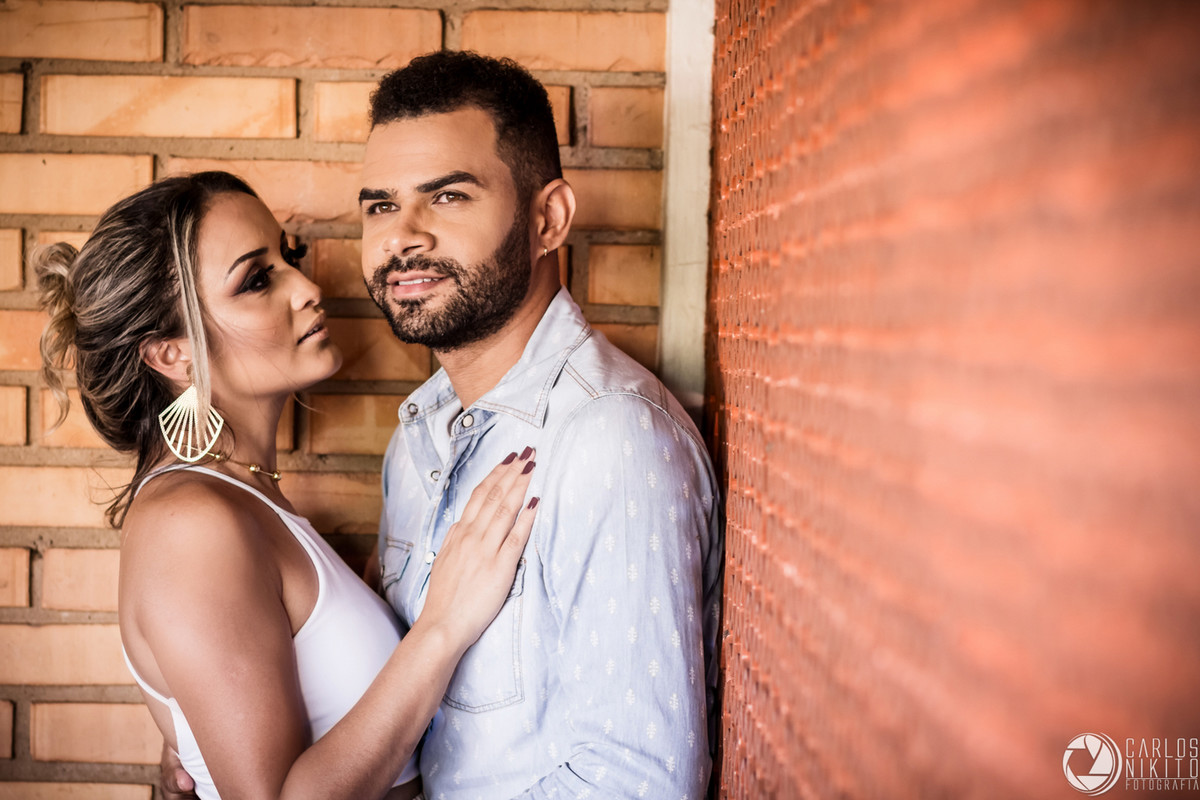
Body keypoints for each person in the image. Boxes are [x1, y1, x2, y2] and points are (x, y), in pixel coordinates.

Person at [37, 170, 540, 800]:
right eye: (256, 279)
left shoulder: (242, 500)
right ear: (172, 354)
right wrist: (442, 628)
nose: (306, 286)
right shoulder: (191, 525)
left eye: (288, 258)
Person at [361, 51, 723, 798]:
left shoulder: (608, 440)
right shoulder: (418, 437)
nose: (404, 237)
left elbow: (636, 786)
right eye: (379, 206)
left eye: (448, 197)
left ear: (547, 217)